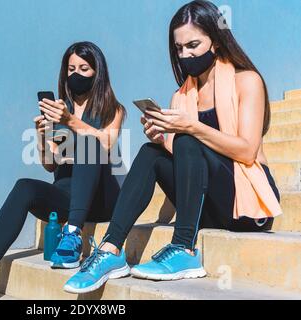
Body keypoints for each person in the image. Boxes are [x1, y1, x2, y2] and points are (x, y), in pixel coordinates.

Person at [63, 0, 282, 294]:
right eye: (179, 49)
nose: (185, 55)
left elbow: (246, 151)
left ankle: (184, 249)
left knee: (188, 138)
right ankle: (111, 249)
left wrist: (189, 127)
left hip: (247, 207)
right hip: (206, 203)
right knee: (150, 152)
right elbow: (186, 161)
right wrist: (162, 139)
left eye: (193, 45)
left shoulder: (247, 81)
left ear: (215, 42)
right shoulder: (182, 95)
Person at [0, 41, 126, 300]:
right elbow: (51, 164)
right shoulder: (58, 109)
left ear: (98, 73)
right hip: (66, 197)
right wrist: (42, 136)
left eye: (84, 68)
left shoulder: (112, 109)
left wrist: (70, 122)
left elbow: (106, 143)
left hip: (101, 198)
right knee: (24, 186)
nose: (76, 74)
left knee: (90, 142)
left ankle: (73, 235)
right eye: (71, 68)